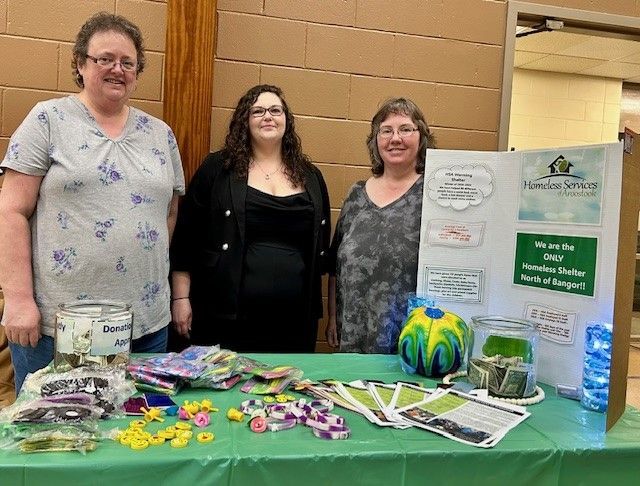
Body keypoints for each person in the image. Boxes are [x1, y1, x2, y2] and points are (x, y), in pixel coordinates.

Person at [0, 12, 185, 392]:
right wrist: (18, 300)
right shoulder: (48, 120)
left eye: (128, 62)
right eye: (104, 58)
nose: (117, 69)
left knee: (136, 434)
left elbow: (168, 212)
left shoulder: (160, 134)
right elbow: (11, 210)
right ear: (81, 64)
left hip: (145, 326)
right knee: (54, 438)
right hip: (58, 328)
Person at [170, 84, 330, 353]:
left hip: (294, 321)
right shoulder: (219, 169)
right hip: (227, 317)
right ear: (245, 121)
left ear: (286, 121)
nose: (268, 116)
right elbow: (186, 237)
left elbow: (320, 246)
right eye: (258, 111)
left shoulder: (310, 176)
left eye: (275, 110)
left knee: (286, 393)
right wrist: (181, 297)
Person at [326, 98, 435, 353]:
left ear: (421, 138)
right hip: (352, 334)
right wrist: (332, 317)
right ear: (376, 140)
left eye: (405, 129)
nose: (395, 138)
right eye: (386, 130)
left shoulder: (432, 195)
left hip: (408, 341)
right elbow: (335, 265)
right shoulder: (355, 195)